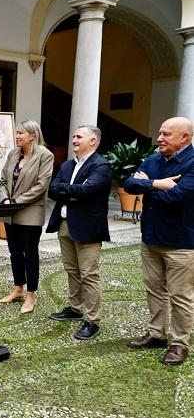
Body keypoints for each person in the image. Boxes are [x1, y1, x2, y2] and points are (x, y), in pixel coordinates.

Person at [124, 116, 194, 365]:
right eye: (160, 133)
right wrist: (156, 184)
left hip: (181, 243)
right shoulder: (154, 159)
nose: (160, 138)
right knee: (154, 290)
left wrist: (148, 190)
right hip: (151, 238)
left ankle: (179, 343)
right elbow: (130, 183)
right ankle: (157, 334)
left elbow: (180, 197)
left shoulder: (192, 162)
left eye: (166, 134)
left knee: (180, 295)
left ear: (184, 137)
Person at [46, 125, 111, 340]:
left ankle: (92, 321)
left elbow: (89, 190)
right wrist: (72, 192)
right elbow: (53, 189)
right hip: (65, 224)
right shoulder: (66, 165)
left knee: (89, 275)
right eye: (73, 136)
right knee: (72, 271)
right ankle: (75, 309)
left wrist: (69, 190)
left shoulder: (101, 165)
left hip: (88, 227)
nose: (74, 139)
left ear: (93, 141)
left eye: (79, 136)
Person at [0, 120, 54, 313]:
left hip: (30, 212)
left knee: (30, 254)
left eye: (21, 133)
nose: (17, 135)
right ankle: (18, 288)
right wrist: (5, 200)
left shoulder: (45, 155)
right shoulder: (13, 153)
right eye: (17, 132)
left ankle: (31, 295)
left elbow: (41, 185)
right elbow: (3, 179)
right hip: (10, 212)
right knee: (14, 253)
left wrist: (17, 201)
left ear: (32, 135)